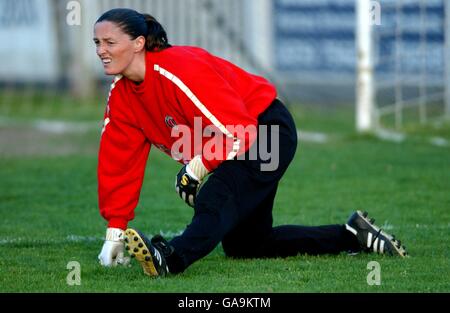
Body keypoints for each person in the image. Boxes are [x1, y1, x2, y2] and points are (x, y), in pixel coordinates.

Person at [95, 8, 407, 277]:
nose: (101, 50)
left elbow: (241, 127)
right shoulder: (121, 95)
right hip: (236, 142)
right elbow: (119, 162)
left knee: (215, 198)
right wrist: (114, 231)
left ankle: (170, 259)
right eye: (97, 43)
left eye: (110, 42)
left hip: (267, 129)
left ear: (138, 44)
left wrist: (197, 166)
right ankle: (352, 236)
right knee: (247, 245)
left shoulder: (177, 68)